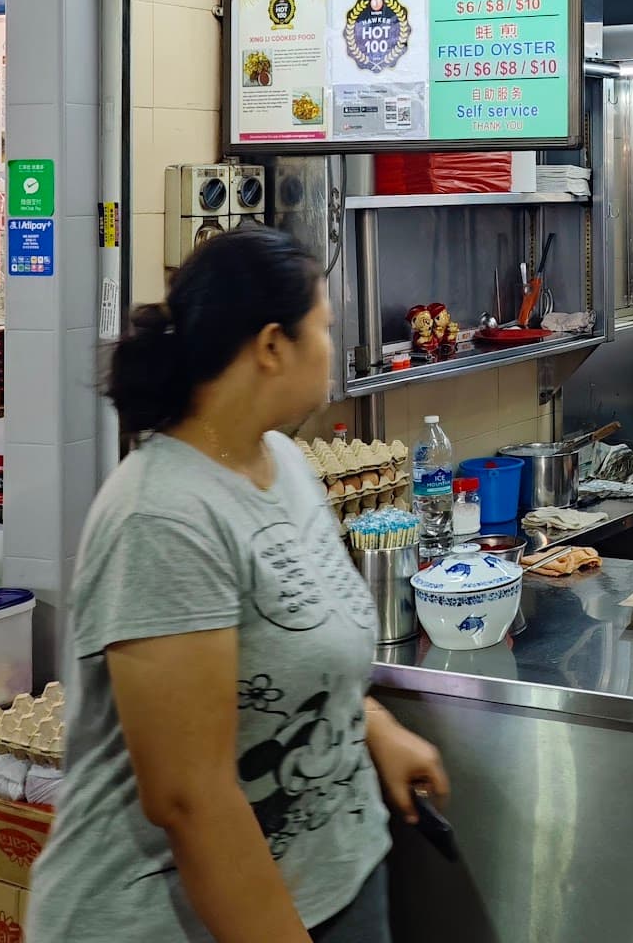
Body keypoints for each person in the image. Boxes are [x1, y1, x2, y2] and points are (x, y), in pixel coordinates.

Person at [29, 227, 449, 943]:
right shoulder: (162, 517)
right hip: (183, 919)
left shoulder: (282, 463)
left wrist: (369, 727)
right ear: (271, 347)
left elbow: (292, 638)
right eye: (323, 327)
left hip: (333, 882)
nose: (331, 344)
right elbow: (191, 800)